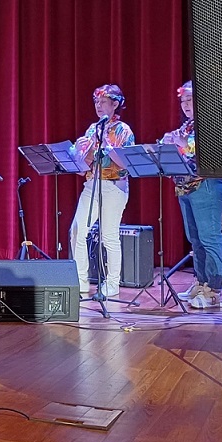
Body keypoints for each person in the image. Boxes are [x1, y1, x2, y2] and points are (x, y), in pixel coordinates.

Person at [161, 81, 222, 309]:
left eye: (190, 99)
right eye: (183, 101)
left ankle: (215, 291)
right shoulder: (186, 128)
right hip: (186, 188)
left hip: (206, 186)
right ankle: (201, 282)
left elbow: (211, 154)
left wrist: (182, 144)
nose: (186, 104)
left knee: (210, 238)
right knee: (195, 239)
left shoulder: (212, 124)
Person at [69, 84, 135, 298]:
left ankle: (112, 284)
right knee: (77, 230)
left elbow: (124, 162)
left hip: (114, 186)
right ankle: (80, 281)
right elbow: (84, 166)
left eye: (103, 102)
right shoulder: (92, 128)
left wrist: (103, 146)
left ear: (115, 104)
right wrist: (80, 152)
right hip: (92, 183)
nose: (98, 105)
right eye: (96, 102)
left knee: (109, 236)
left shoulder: (123, 129)